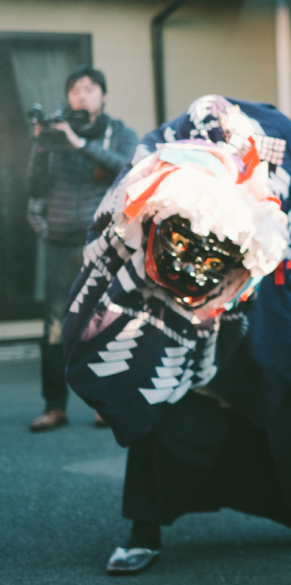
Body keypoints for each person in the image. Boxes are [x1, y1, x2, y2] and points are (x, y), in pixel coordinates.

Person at [61, 95, 291, 576]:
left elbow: (287, 224)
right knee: (165, 399)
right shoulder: (176, 152)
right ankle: (143, 529)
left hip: (269, 307)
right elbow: (130, 210)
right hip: (188, 308)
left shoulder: (274, 156)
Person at [26, 66, 137, 432]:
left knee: (104, 323)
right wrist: (42, 146)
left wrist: (79, 143)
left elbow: (127, 169)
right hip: (58, 242)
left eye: (89, 89)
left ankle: (104, 405)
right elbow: (35, 185)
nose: (81, 95)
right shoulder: (57, 133)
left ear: (102, 95)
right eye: (75, 90)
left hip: (102, 243)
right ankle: (54, 406)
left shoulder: (118, 133)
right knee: (55, 328)